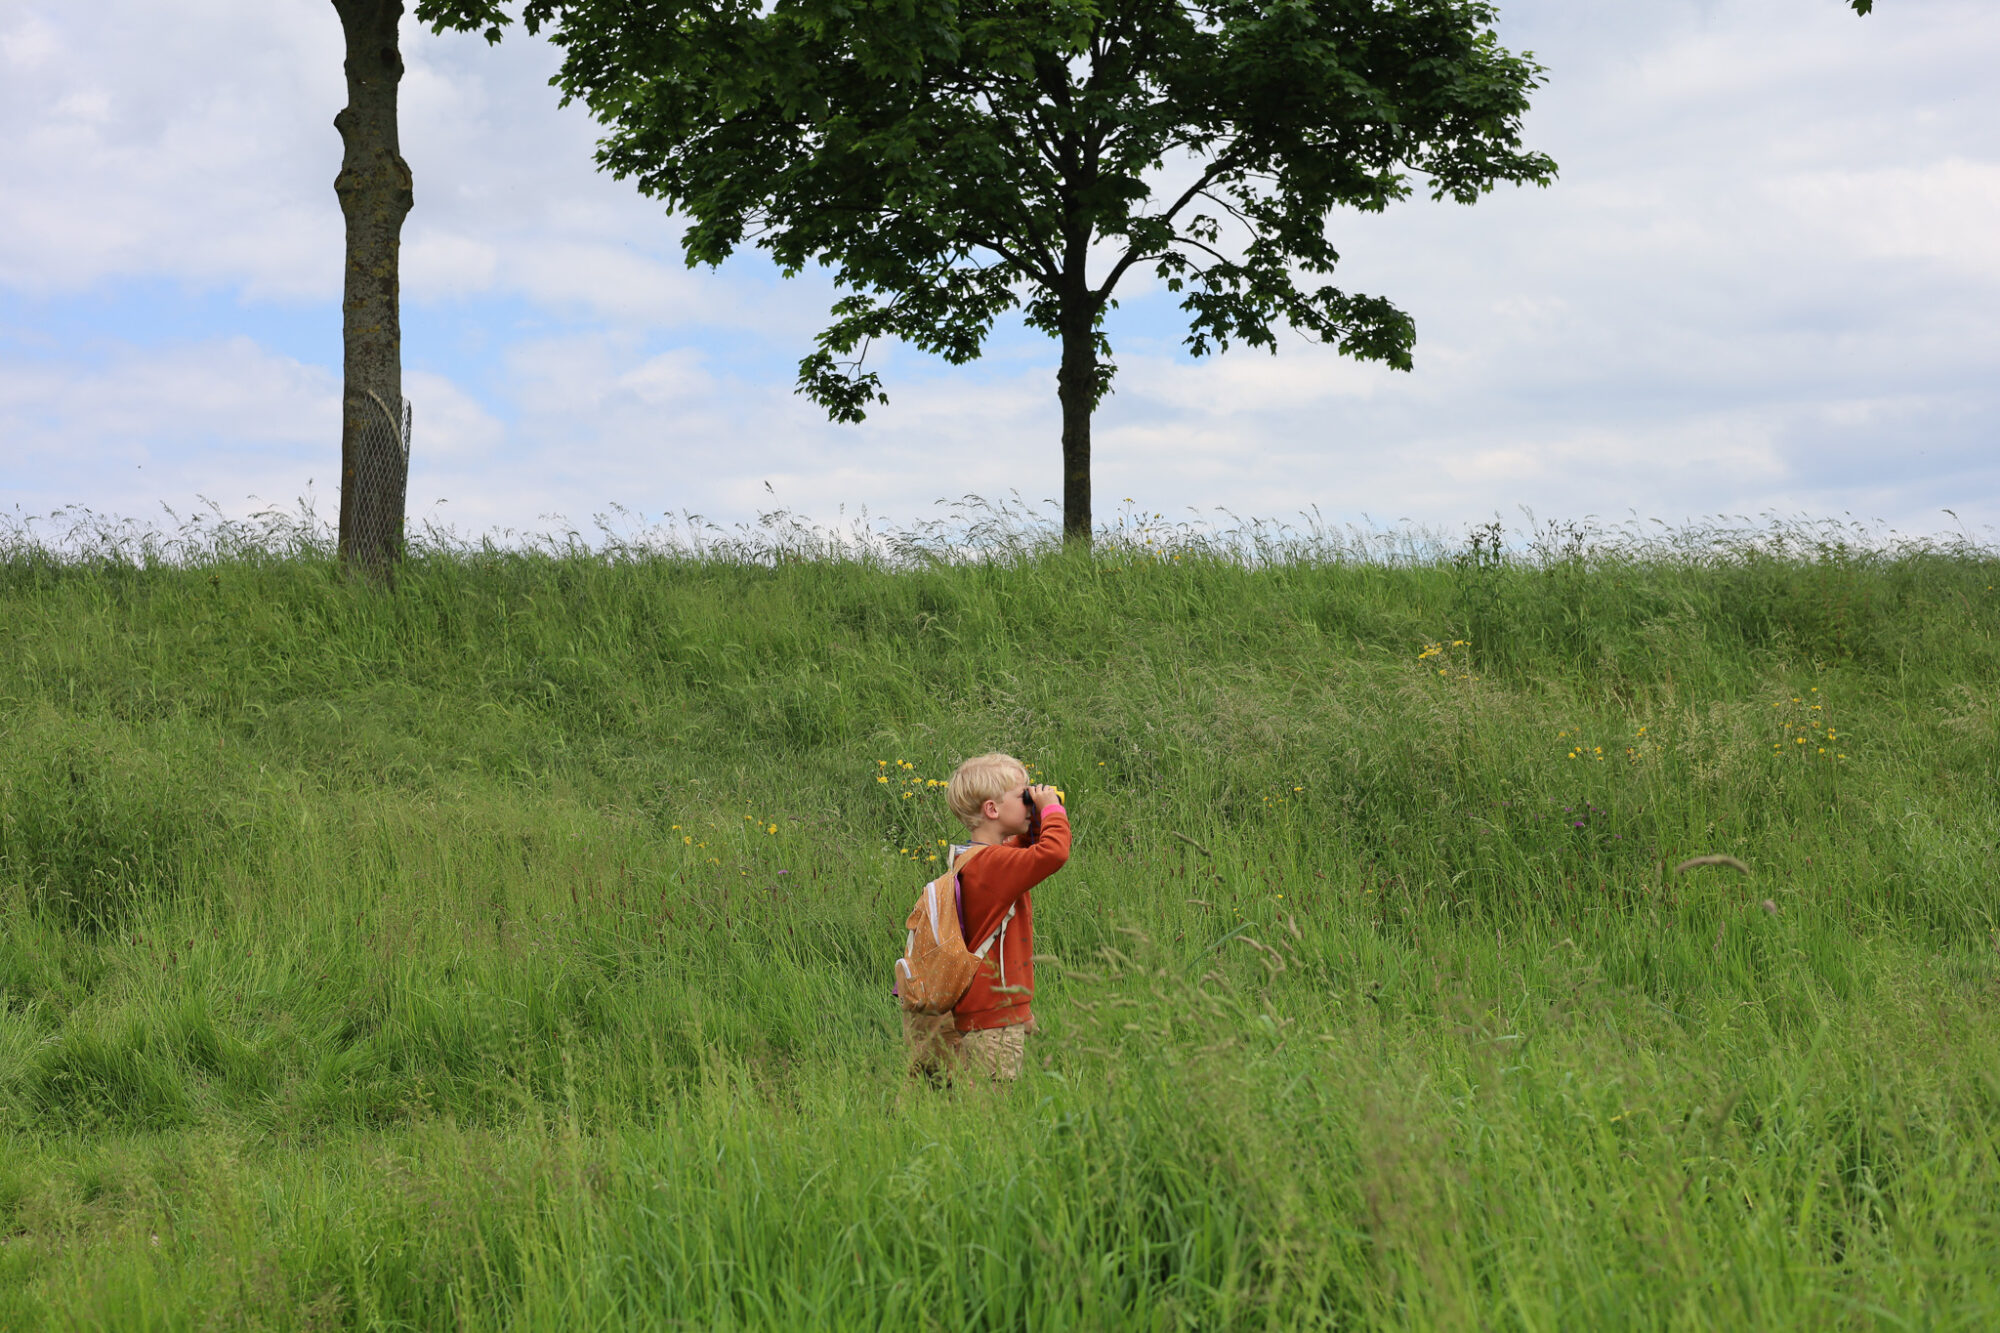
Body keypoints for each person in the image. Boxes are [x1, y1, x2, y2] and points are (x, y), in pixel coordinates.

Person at [938, 752, 1070, 1082]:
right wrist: (1052, 807)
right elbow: (1053, 852)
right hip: (992, 1018)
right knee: (990, 1111)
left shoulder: (974, 859)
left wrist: (1035, 819)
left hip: (986, 1010)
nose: (1030, 800)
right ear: (992, 810)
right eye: (1022, 795)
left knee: (977, 1104)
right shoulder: (993, 865)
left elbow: (1024, 850)